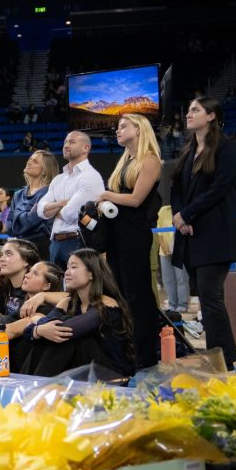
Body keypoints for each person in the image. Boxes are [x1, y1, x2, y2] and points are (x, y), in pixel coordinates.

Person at [170, 97, 236, 370]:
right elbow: (176, 188)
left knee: (211, 299)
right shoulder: (188, 150)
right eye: (188, 109)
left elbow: (220, 188)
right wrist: (179, 215)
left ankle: (221, 359)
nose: (188, 114)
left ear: (211, 116)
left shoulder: (226, 148)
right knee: (207, 299)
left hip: (215, 235)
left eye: (195, 109)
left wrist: (188, 214)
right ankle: (221, 358)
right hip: (191, 236)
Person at [95, 114, 163, 369]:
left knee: (138, 294)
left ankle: (145, 354)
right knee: (120, 293)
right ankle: (126, 351)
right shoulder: (126, 161)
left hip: (135, 233)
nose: (118, 130)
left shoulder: (150, 160)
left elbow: (135, 199)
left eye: (124, 126)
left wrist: (106, 195)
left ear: (139, 129)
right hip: (117, 233)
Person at [17, 248, 135, 378]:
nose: (67, 272)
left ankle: (38, 387)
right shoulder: (68, 302)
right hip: (82, 370)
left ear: (91, 274)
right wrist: (39, 330)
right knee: (49, 336)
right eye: (67, 267)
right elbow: (28, 335)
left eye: (73, 267)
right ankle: (31, 384)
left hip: (112, 375)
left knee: (70, 337)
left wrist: (37, 321)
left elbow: (65, 330)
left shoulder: (107, 303)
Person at [36, 133, 105, 268]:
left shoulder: (90, 176)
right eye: (65, 142)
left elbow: (71, 214)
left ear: (85, 148)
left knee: (77, 288)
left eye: (72, 142)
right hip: (55, 243)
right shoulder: (59, 179)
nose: (66, 145)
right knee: (56, 288)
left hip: (78, 241)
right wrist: (62, 203)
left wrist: (52, 209)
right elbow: (40, 210)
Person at [156, 205, 190, 314]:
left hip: (180, 250)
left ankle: (183, 304)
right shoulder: (163, 211)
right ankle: (172, 303)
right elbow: (159, 232)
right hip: (164, 251)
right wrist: (164, 248)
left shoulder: (184, 209)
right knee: (168, 279)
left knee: (181, 278)